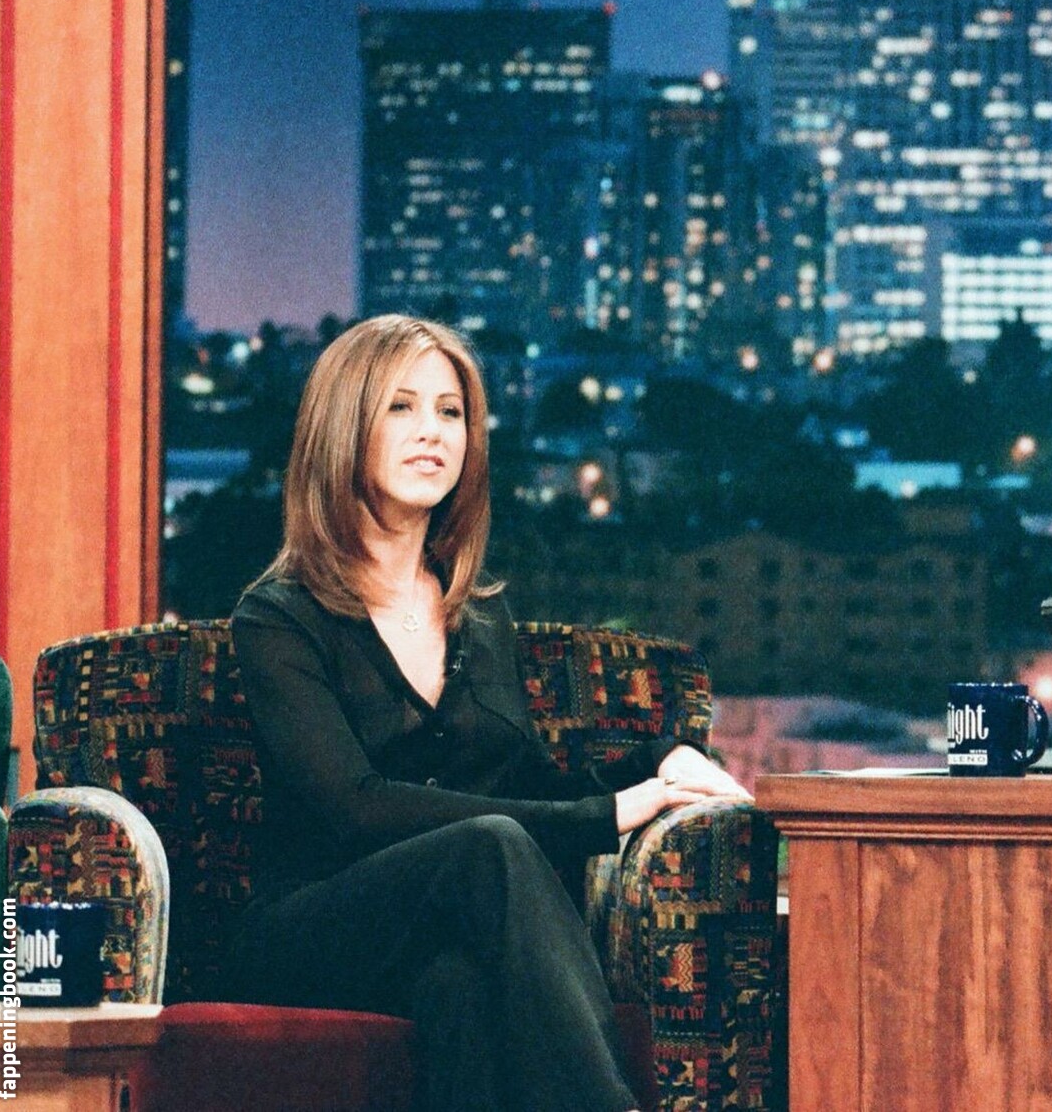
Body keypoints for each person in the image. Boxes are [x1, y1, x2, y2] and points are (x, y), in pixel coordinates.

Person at [224, 314, 750, 1112]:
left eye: (451, 411)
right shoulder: (278, 616)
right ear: (343, 427)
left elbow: (520, 781)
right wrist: (603, 816)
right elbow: (353, 807)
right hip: (311, 931)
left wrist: (660, 763)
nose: (432, 431)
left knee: (460, 990)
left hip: (437, 933)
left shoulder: (476, 614)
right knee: (494, 846)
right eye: (401, 406)